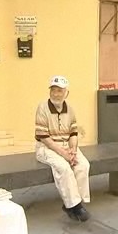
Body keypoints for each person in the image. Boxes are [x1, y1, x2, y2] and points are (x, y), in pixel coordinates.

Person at [35, 76, 91, 222]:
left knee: (83, 165)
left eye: (59, 90)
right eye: (53, 90)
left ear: (66, 92)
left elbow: (73, 133)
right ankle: (75, 206)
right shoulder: (42, 107)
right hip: (47, 147)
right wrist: (64, 155)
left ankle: (73, 204)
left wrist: (72, 149)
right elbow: (44, 138)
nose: (56, 94)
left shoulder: (70, 108)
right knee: (64, 168)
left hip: (67, 146)